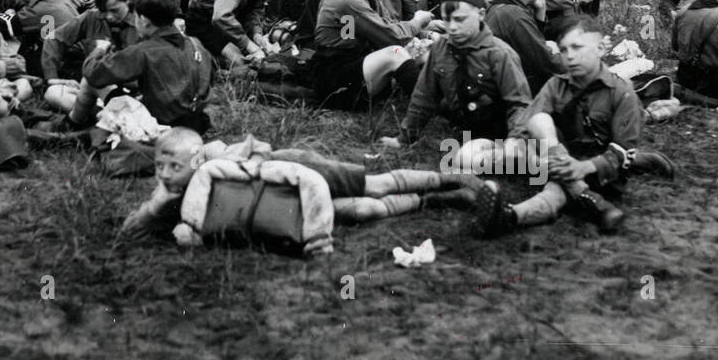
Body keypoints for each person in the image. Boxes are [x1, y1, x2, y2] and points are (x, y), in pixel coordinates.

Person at [462, 15, 674, 238]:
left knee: (556, 191)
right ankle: (592, 197)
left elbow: (622, 151)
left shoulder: (622, 93)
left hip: (598, 169)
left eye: (577, 47)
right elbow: (528, 122)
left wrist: (582, 168)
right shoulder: (556, 84)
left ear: (601, 49)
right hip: (559, 158)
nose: (570, 56)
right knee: (534, 125)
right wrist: (518, 146)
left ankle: (509, 216)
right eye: (563, 50)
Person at [121, 125, 473, 246]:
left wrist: (250, 168)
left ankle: (451, 178)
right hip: (282, 207)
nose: (165, 173)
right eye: (160, 166)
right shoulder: (167, 194)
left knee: (377, 185)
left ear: (196, 160)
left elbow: (255, 146)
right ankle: (441, 201)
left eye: (174, 166)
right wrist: (156, 205)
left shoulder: (213, 156)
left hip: (292, 168)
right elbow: (131, 233)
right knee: (362, 209)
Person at [64, 0, 215, 133]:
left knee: (89, 83)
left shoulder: (143, 51)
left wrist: (99, 49)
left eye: (135, 15)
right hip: (196, 122)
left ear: (144, 20)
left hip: (158, 126)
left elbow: (93, 74)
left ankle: (72, 124)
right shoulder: (195, 43)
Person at [398, 0, 533, 142]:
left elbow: (519, 104)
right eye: (447, 20)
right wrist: (406, 137)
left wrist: (514, 141)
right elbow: (424, 94)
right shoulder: (441, 47)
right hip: (464, 125)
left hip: (499, 131)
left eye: (460, 19)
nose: (452, 27)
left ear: (481, 15)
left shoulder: (500, 54)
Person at [312, 0, 430, 105]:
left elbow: (388, 24)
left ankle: (445, 102)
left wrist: (423, 36)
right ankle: (426, 106)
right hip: (335, 78)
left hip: (354, 64)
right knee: (396, 54)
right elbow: (392, 36)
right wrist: (417, 23)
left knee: (428, 50)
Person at [186, 0, 299, 69]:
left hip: (219, 27)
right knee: (238, 63)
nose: (268, 1)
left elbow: (253, 11)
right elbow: (221, 16)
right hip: (201, 24)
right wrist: (248, 45)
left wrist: (256, 34)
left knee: (249, 58)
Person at [483, 0, 566, 94]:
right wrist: (584, 62)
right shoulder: (514, 16)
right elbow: (548, 64)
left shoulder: (495, 4)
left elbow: (532, 46)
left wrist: (540, 12)